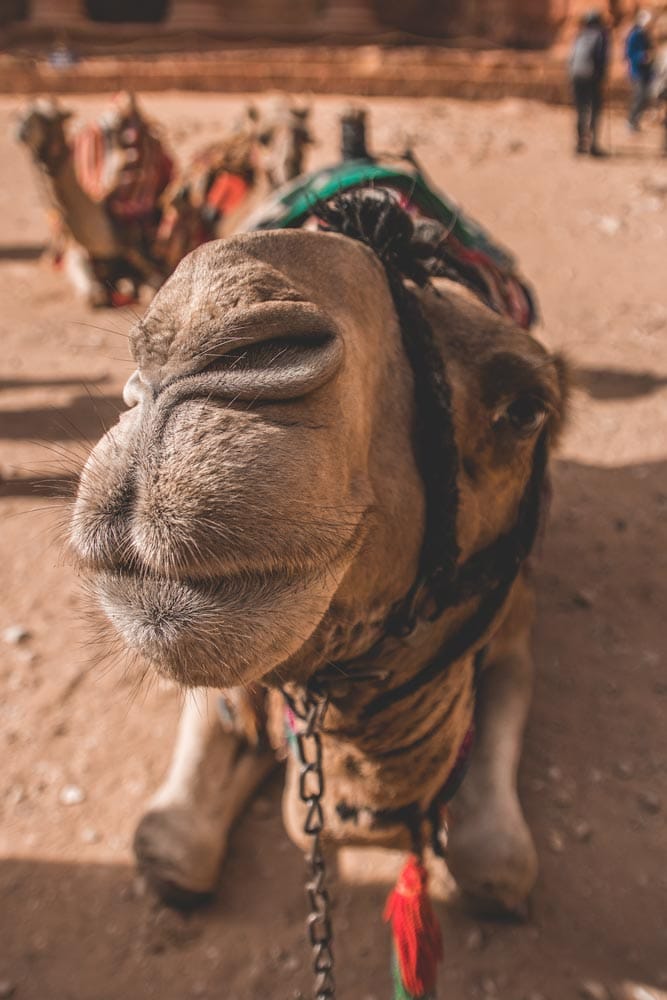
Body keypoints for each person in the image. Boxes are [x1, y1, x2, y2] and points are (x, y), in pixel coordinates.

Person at [569, 10, 610, 156]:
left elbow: (571, 57)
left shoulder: (580, 35)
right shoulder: (601, 35)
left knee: (580, 109)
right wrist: (602, 77)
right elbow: (602, 59)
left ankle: (580, 144)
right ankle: (593, 145)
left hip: (575, 75)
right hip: (591, 76)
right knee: (594, 109)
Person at [625, 10, 654, 131]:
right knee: (639, 96)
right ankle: (631, 121)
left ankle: (635, 121)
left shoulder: (645, 36)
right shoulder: (634, 35)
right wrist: (642, 56)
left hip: (646, 73)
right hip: (637, 72)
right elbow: (629, 53)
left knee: (645, 97)